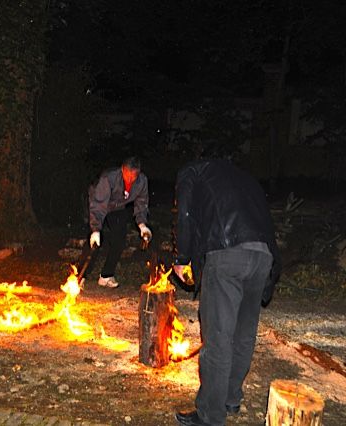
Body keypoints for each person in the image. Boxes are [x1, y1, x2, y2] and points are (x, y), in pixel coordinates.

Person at [171, 159, 281, 426]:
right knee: (243, 332)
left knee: (218, 337)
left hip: (228, 252)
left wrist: (182, 257)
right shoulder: (247, 179)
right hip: (263, 256)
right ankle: (231, 396)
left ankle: (210, 415)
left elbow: (186, 215)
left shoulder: (191, 173)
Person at [87, 156, 152, 288]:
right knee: (94, 241)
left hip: (117, 207)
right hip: (97, 202)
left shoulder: (142, 181)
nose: (130, 179)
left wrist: (142, 225)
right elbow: (99, 205)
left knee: (119, 240)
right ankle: (80, 276)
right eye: (128, 175)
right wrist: (95, 230)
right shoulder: (108, 178)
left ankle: (106, 275)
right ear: (122, 170)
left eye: (134, 176)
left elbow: (141, 203)